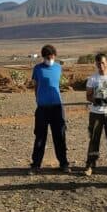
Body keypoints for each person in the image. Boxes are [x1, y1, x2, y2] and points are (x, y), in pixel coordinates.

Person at [29, 45, 70, 175]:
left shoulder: (58, 68)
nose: (50, 59)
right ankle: (36, 165)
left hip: (57, 107)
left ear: (55, 56)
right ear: (43, 57)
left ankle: (64, 164)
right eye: (47, 57)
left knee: (60, 136)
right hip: (42, 108)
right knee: (40, 137)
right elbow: (36, 87)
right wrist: (40, 99)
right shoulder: (37, 69)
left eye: (52, 57)